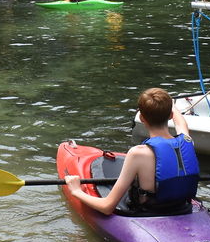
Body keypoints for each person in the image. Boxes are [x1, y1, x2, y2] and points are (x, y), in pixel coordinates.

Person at [65, 88, 198, 216]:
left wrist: (76, 191)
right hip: (182, 206)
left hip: (151, 212)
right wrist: (170, 105)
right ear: (171, 115)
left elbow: (107, 207)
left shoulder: (138, 153)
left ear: (141, 118)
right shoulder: (187, 141)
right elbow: (181, 124)